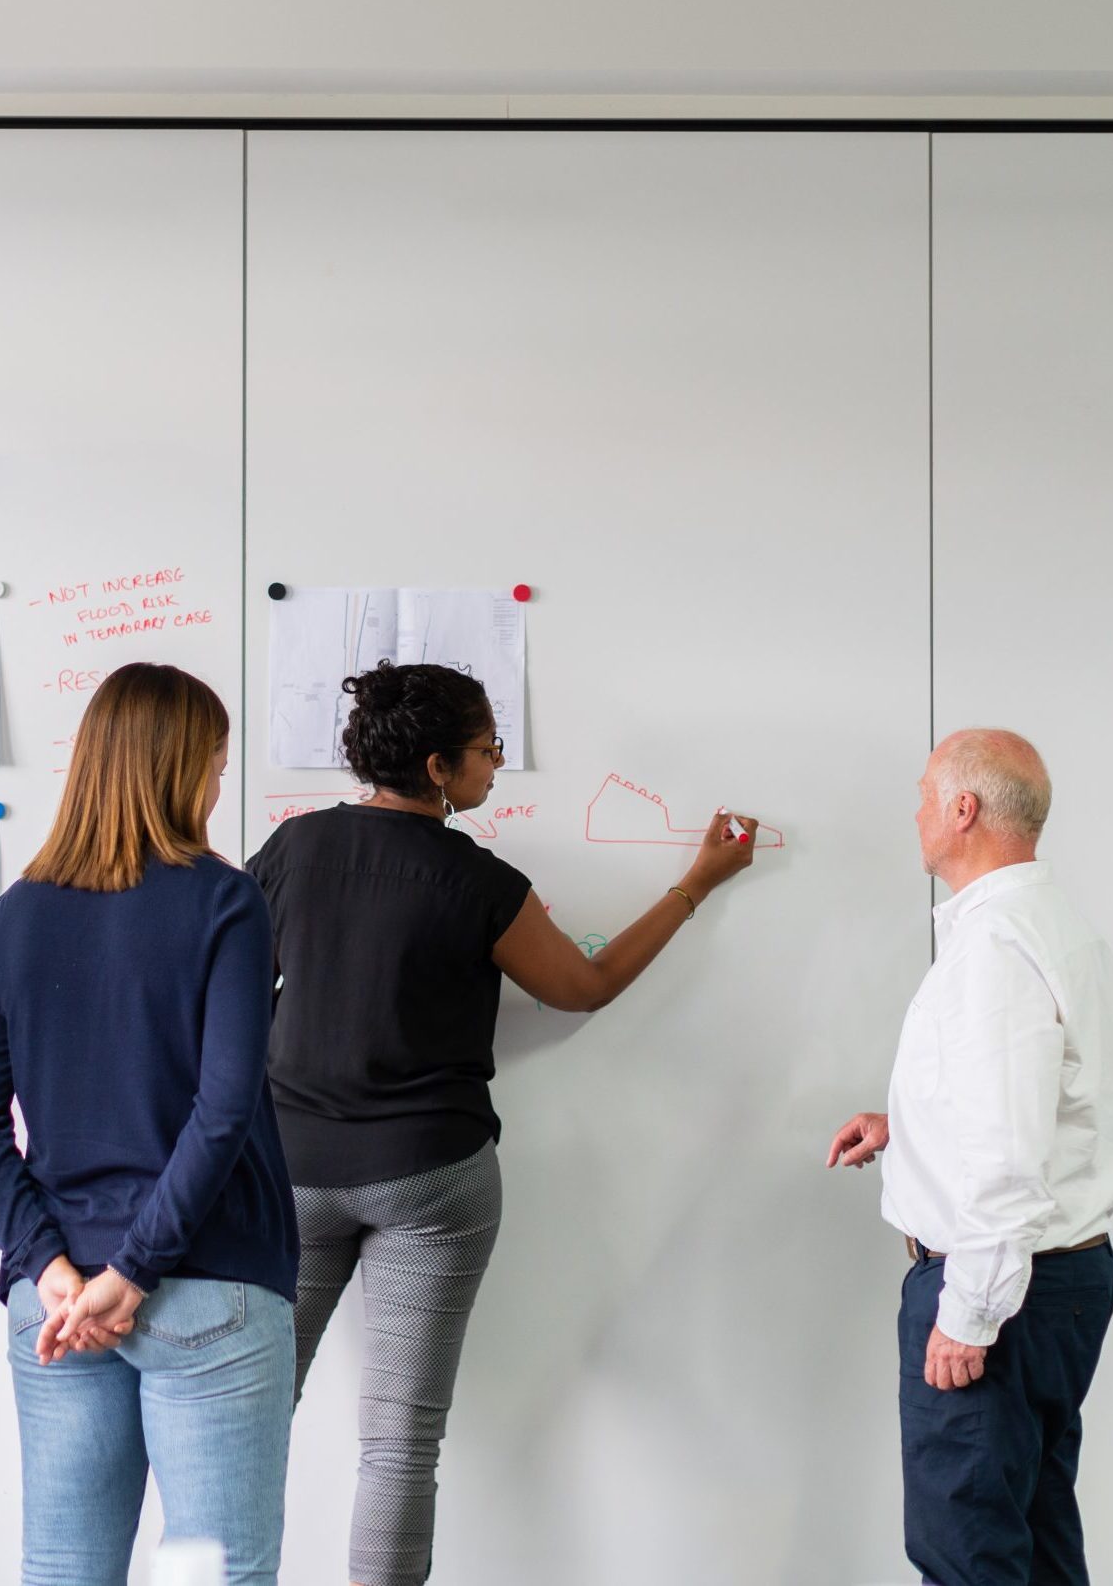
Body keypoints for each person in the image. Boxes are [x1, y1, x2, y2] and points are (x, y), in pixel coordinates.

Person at [245, 661, 758, 1586]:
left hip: (291, 1172)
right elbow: (582, 989)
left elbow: (237, 984)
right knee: (400, 1442)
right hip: (429, 1176)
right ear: (439, 767)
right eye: (488, 751)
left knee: (247, 1415)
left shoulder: (293, 850)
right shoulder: (480, 881)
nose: (498, 766)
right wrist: (696, 884)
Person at [0, 662, 298, 1586]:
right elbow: (222, 1112)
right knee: (210, 1573)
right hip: (206, 1286)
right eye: (217, 762)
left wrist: (56, 1271)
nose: (221, 784)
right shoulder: (226, 901)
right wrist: (133, 1271)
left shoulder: (11, 919)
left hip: (54, 1304)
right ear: (183, 768)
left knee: (64, 1569)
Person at [826, 728, 1113, 1586]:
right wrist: (906, 1125)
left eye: (926, 795)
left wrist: (970, 1311)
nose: (917, 812)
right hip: (1058, 1281)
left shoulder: (994, 946)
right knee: (1034, 1544)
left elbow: (1007, 1152)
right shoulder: (1052, 925)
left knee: (969, 1557)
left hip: (1000, 1285)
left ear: (963, 810)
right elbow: (1043, 1098)